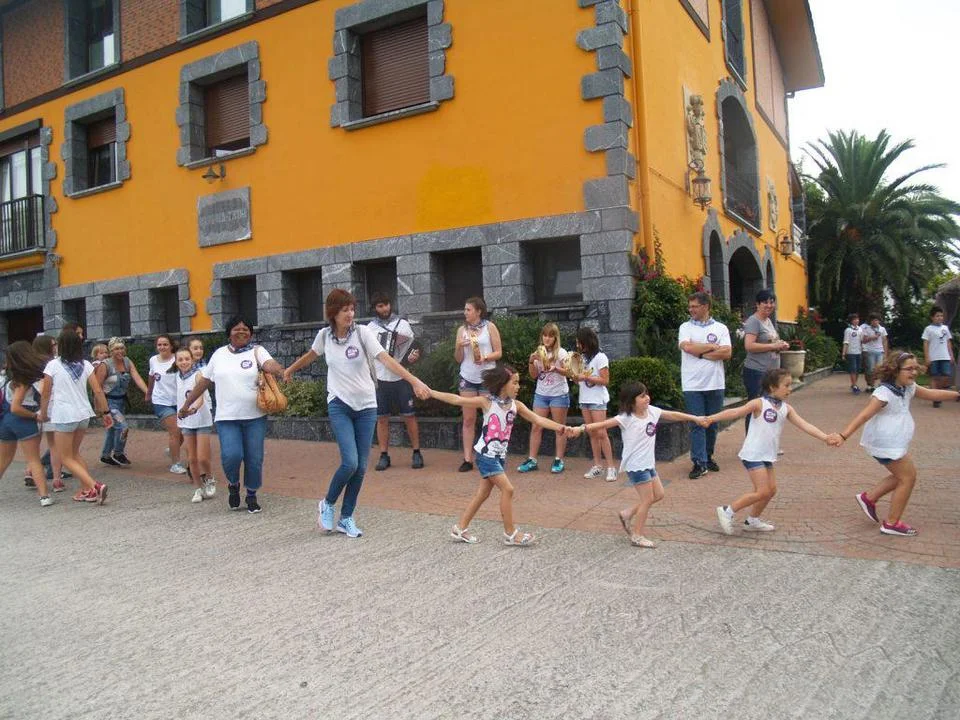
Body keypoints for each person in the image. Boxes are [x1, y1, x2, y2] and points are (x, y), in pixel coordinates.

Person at [284, 289, 430, 537]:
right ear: (333, 313)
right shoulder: (324, 336)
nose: (350, 314)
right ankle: (328, 503)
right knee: (350, 462)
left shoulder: (363, 333)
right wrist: (289, 370)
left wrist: (414, 381)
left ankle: (346, 518)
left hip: (366, 407)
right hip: (339, 404)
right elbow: (311, 355)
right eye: (345, 310)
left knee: (360, 467)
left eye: (352, 309)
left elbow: (387, 360)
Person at [433, 364, 565, 546]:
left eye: (518, 383)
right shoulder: (487, 402)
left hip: (499, 457)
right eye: (515, 383)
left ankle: (460, 528)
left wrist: (562, 428)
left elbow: (538, 419)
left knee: (482, 494)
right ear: (503, 384)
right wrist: (431, 392)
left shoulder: (516, 406)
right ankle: (511, 534)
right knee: (508, 489)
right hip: (486, 456)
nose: (518, 387)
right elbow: (457, 399)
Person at [569, 382, 707, 548]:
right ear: (631, 401)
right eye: (642, 396)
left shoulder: (652, 411)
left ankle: (627, 513)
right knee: (647, 500)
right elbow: (602, 424)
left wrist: (694, 418)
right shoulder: (626, 418)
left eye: (646, 394)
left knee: (659, 494)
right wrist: (581, 428)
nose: (647, 398)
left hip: (648, 463)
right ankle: (637, 535)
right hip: (636, 466)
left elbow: (673, 415)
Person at [838, 350, 960, 537]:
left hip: (893, 442)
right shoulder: (883, 393)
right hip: (885, 443)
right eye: (909, 369)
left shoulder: (908, 388)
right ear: (895, 370)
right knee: (908, 478)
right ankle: (892, 523)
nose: (914, 372)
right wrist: (843, 436)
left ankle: (869, 498)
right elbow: (864, 415)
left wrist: (956, 396)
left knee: (901, 475)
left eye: (915, 368)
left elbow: (931, 393)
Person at [709, 368, 841, 535]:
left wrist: (825, 437)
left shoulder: (786, 408)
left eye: (790, 385)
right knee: (762, 491)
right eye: (786, 385)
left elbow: (805, 425)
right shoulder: (759, 403)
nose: (789, 389)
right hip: (753, 454)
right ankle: (727, 510)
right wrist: (711, 418)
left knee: (771, 490)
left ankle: (752, 520)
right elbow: (735, 412)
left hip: (767, 455)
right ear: (772, 387)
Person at [181, 316, 283, 513]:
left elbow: (269, 364)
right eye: (237, 329)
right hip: (227, 418)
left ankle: (251, 495)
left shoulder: (257, 351)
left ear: (251, 334)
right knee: (232, 456)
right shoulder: (219, 355)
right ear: (229, 333)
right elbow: (204, 382)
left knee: (254, 458)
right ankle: (233, 484)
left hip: (255, 417)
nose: (241, 331)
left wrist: (280, 370)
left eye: (246, 329)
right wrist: (186, 405)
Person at [38, 329, 110, 504]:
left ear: (61, 346)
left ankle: (95, 486)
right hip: (83, 414)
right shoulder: (86, 364)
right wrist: (106, 412)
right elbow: (98, 390)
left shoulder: (53, 365)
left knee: (65, 457)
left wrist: (43, 413)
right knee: (74, 454)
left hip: (64, 415)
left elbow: (46, 393)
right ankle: (87, 490)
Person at [367, 292, 424, 471]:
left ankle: (416, 452)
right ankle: (384, 455)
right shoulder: (370, 329)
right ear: (374, 308)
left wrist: (414, 356)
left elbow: (414, 348)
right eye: (380, 306)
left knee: (410, 416)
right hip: (380, 379)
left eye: (386, 304)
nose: (384, 309)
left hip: (402, 378)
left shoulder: (403, 324)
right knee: (382, 418)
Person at [678, 291, 732, 478]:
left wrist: (699, 352)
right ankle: (698, 462)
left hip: (715, 383)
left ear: (706, 306)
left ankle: (708, 457)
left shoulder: (720, 328)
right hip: (692, 385)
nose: (690, 309)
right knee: (697, 424)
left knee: (712, 423)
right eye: (690, 306)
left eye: (694, 306)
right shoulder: (685, 327)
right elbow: (687, 347)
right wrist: (712, 347)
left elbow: (727, 353)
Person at [0, 341, 52, 506]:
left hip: (6, 421)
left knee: (4, 459)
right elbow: (16, 407)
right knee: (33, 459)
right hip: (24, 420)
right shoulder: (25, 380)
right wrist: (35, 416)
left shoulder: (8, 379)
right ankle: (44, 496)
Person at [454, 296, 502, 472]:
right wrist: (459, 346)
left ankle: (490, 455)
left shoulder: (490, 327)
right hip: (467, 377)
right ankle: (467, 458)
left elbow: (499, 352)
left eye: (468, 309)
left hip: (487, 377)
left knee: (490, 418)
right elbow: (458, 358)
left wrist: (486, 357)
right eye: (465, 309)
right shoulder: (462, 330)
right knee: (468, 419)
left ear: (478, 311)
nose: (465, 312)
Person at [518, 322, 571, 475]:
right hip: (541, 393)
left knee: (559, 427)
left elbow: (569, 372)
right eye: (545, 335)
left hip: (558, 394)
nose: (547, 338)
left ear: (555, 338)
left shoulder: (561, 353)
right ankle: (532, 460)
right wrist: (531, 361)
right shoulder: (538, 352)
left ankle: (559, 460)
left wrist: (556, 369)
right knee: (536, 426)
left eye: (550, 336)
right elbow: (534, 375)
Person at [171, 347, 215, 503]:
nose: (184, 362)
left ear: (192, 360)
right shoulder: (176, 377)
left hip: (201, 419)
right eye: (180, 359)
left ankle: (209, 478)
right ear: (176, 362)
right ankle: (198, 488)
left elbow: (200, 398)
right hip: (186, 422)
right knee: (192, 459)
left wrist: (192, 409)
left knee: (203, 458)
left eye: (187, 359)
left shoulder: (198, 375)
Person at [741, 289, 790, 432]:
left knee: (769, 408)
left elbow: (770, 342)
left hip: (770, 373)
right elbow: (749, 346)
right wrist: (774, 346)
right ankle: (751, 441)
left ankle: (765, 439)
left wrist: (781, 345)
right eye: (765, 302)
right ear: (757, 304)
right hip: (756, 372)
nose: (769, 305)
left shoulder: (768, 321)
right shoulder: (754, 321)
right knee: (755, 407)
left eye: (771, 302)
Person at [572, 327, 616, 481]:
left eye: (580, 342)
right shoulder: (581, 358)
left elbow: (605, 380)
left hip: (597, 400)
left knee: (601, 432)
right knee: (592, 432)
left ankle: (611, 467)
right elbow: (578, 380)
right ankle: (598, 465)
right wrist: (574, 376)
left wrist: (586, 378)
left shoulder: (601, 357)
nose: (578, 345)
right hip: (585, 399)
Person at [96, 337, 148, 467]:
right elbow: (97, 387)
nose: (119, 351)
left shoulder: (127, 361)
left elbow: (137, 378)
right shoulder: (105, 365)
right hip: (109, 402)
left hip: (121, 401)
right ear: (111, 350)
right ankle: (118, 453)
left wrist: (147, 392)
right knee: (123, 427)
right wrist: (99, 407)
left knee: (112, 429)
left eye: (121, 348)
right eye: (116, 349)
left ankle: (105, 455)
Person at [31, 334, 69, 490]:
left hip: (34, 406)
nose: (56, 347)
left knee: (33, 443)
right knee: (54, 444)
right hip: (51, 405)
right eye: (53, 345)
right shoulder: (53, 363)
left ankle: (30, 472)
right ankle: (57, 479)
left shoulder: (31, 364)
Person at [146, 335, 186, 474]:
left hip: (179, 401)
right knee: (175, 431)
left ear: (171, 346)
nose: (162, 347)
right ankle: (175, 464)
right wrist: (149, 393)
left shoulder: (178, 359)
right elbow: (151, 377)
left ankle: (172, 450)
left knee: (180, 435)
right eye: (159, 345)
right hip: (161, 401)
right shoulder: (153, 360)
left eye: (165, 344)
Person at [922, 305, 955, 407]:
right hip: (934, 356)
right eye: (937, 316)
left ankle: (938, 392)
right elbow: (926, 343)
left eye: (941, 316)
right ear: (932, 317)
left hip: (945, 356)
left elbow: (948, 342)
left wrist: (951, 355)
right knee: (934, 376)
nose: (940, 318)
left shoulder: (945, 328)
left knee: (946, 375)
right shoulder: (928, 329)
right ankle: (935, 398)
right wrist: (927, 357)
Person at [860, 314, 888, 391]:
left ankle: (878, 384)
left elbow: (885, 341)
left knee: (879, 369)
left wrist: (885, 353)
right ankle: (870, 385)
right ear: (870, 321)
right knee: (870, 369)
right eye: (873, 320)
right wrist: (872, 337)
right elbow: (864, 341)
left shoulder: (882, 329)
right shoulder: (867, 329)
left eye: (876, 320)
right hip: (870, 351)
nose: (875, 322)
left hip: (880, 351)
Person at [841, 313, 863, 394]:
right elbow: (846, 342)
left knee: (858, 369)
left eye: (857, 319)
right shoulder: (848, 330)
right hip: (851, 352)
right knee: (853, 369)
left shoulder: (860, 329)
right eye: (854, 319)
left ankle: (854, 384)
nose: (856, 321)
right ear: (851, 321)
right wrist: (844, 353)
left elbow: (862, 341)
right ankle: (854, 386)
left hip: (859, 352)